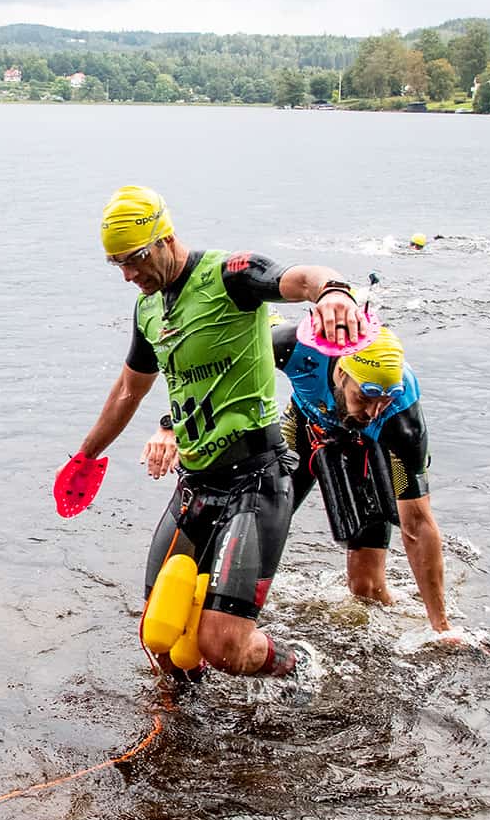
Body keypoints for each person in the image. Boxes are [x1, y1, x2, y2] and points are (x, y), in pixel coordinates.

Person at [56, 185, 367, 680]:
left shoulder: (231, 276)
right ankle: (171, 725)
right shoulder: (149, 309)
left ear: (165, 239)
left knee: (222, 645)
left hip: (256, 481)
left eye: (134, 259)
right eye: (115, 264)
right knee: (158, 632)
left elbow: (304, 277)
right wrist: (85, 457)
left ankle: (299, 667)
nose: (128, 274)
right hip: (197, 484)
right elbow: (127, 393)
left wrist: (334, 292)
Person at [269, 318, 453, 632]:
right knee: (263, 511)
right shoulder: (294, 346)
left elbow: (418, 525)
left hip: (369, 446)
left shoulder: (401, 422)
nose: (371, 412)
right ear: (341, 373)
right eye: (363, 399)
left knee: (365, 589)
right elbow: (229, 356)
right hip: (305, 425)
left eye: (382, 402)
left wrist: (441, 628)